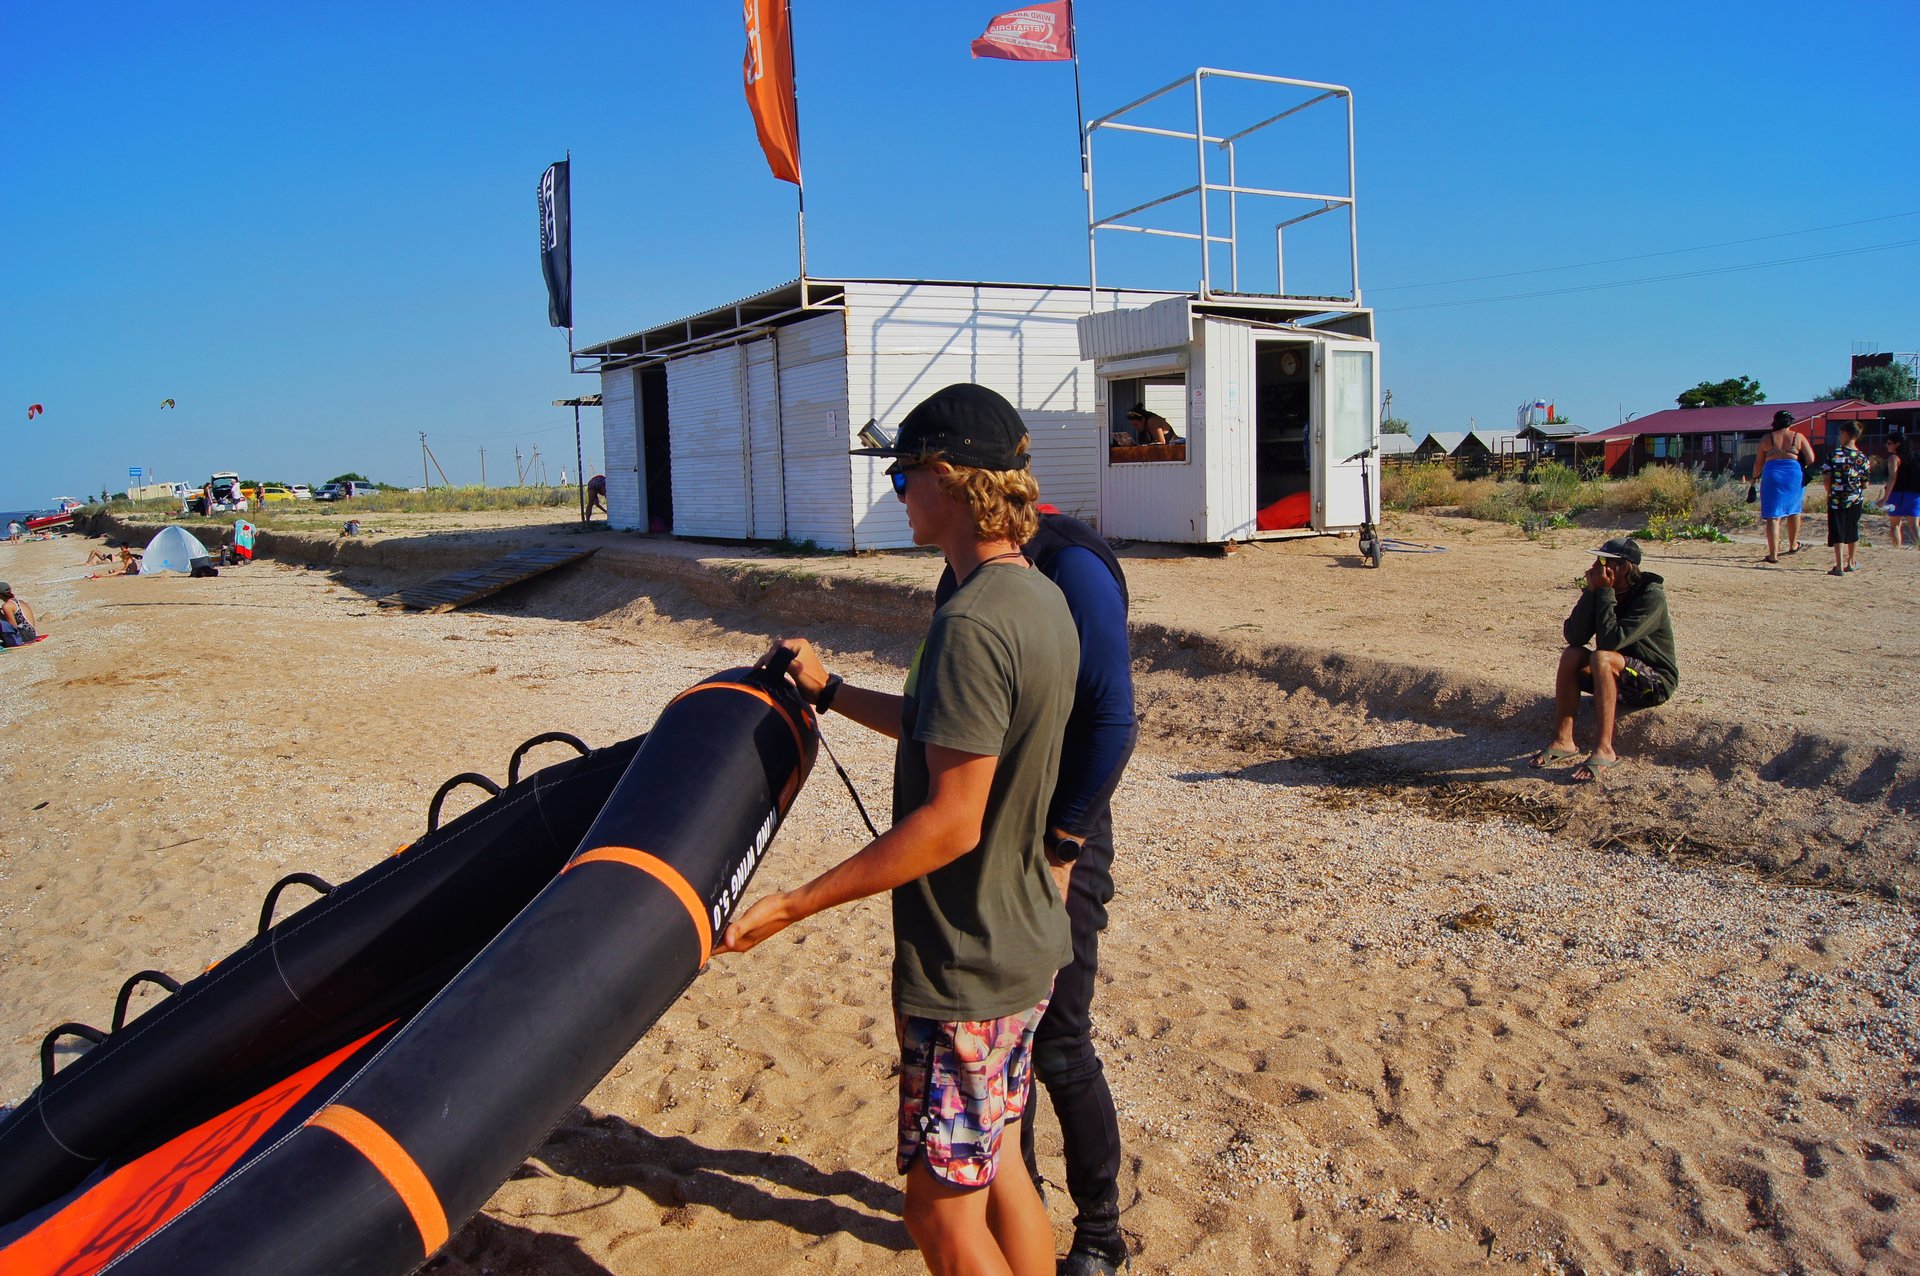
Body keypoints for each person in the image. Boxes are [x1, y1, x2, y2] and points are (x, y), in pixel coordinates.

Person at [718, 383, 1078, 1276]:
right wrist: (832, 693)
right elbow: (942, 725)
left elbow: (952, 824)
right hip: (1025, 946)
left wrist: (791, 905)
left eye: (902, 474)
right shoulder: (1036, 599)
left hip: (967, 966)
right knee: (1002, 1171)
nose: (897, 492)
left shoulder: (972, 622)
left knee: (937, 1216)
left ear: (948, 478)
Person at [932, 507, 1136, 1275]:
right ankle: (1022, 1207)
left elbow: (1112, 722)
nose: (900, 493)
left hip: (1062, 831)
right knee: (996, 1043)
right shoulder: (961, 570)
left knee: (1057, 1038)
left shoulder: (1070, 562)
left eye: (910, 476)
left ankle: (1101, 1235)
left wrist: (1062, 850)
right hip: (989, 831)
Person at [1531, 537, 1678, 782]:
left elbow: (1610, 643)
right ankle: (1564, 740)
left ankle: (1605, 749)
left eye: (1604, 561)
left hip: (1653, 683)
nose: (1597, 566)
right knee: (1572, 655)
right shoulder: (1603, 591)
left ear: (1622, 567)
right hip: (1615, 675)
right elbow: (1574, 636)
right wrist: (1591, 594)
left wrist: (1605, 592)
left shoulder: (1650, 596)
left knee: (1602, 658)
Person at [1753, 410, 1814, 562]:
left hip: (1772, 474)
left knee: (1773, 516)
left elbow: (1758, 462)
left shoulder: (1767, 438)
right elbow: (1811, 458)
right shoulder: (1798, 437)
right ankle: (1793, 545)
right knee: (1794, 510)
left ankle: (1773, 554)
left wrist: (1754, 478)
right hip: (1793, 474)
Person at [1821, 422, 1869, 576]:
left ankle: (1839, 565)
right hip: (1855, 498)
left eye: (1841, 434)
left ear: (1846, 433)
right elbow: (1865, 483)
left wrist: (1830, 492)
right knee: (1852, 528)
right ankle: (1851, 562)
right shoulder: (1862, 457)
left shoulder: (1833, 455)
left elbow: (1827, 478)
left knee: (1838, 530)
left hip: (1836, 498)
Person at [1884, 435, 1920, 549]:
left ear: (1897, 444)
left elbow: (1892, 478)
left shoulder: (1893, 458)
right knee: (1914, 526)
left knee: (1895, 525)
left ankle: (1896, 549)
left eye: (1889, 443)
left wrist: (1884, 498)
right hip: (1914, 495)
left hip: (1896, 494)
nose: (1886, 445)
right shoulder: (1915, 457)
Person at [0, 582, 39, 647]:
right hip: (31, 634)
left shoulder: (6, 606)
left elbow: (12, 627)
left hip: (23, 637)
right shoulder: (18, 601)